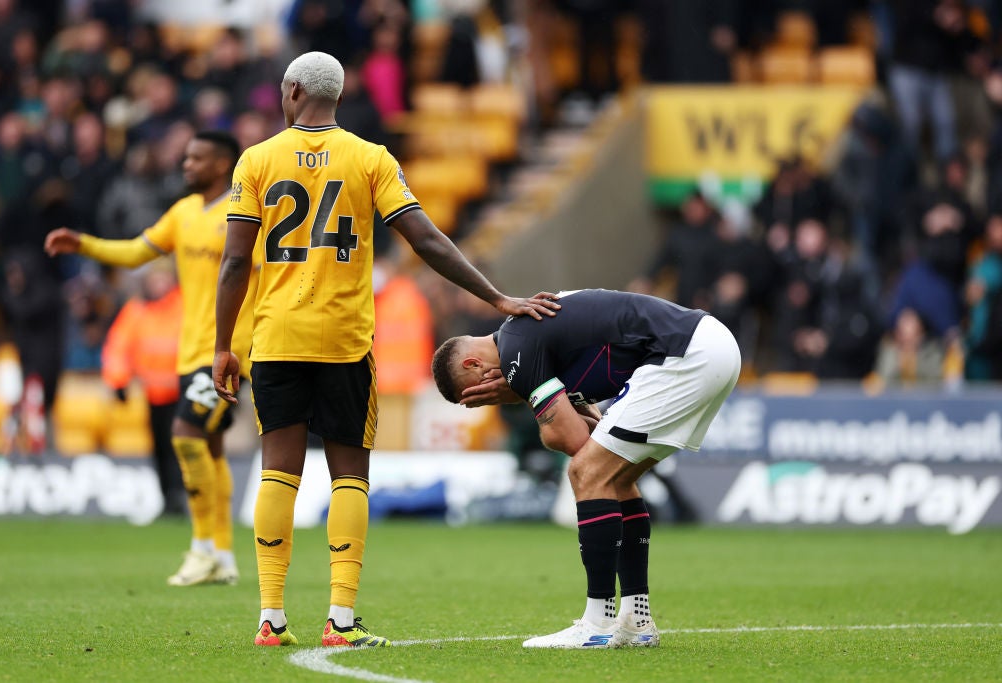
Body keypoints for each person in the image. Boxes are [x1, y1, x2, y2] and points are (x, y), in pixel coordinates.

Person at [211, 51, 559, 649]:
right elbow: (425, 238)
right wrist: (496, 297)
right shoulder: (370, 158)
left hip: (277, 338)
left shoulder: (257, 160)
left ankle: (270, 618)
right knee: (349, 477)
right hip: (344, 341)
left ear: (292, 90)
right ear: (338, 97)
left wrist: (223, 345)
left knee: (278, 471)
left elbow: (237, 259)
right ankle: (340, 621)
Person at [431, 288, 741, 649]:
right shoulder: (525, 337)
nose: (492, 395)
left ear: (473, 365)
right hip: (705, 345)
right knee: (616, 478)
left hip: (685, 353)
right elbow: (592, 428)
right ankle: (636, 619)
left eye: (480, 392)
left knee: (586, 472)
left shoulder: (516, 350)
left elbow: (573, 440)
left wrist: (525, 395)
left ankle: (597, 623)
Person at [44, 130, 258, 587]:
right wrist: (85, 244)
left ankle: (201, 549)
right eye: (185, 157)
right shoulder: (183, 212)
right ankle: (223, 556)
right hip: (190, 353)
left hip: (229, 355)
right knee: (211, 451)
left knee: (183, 434)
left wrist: (250, 344)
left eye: (196, 158)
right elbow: (139, 250)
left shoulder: (246, 213)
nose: (185, 165)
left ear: (222, 165)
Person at [100, 262, 184, 514]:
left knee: (179, 448)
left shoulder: (184, 306)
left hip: (182, 392)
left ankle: (181, 497)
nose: (158, 283)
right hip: (153, 393)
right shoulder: (137, 310)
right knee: (159, 448)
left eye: (163, 277)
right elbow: (118, 347)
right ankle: (168, 498)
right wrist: (118, 381)